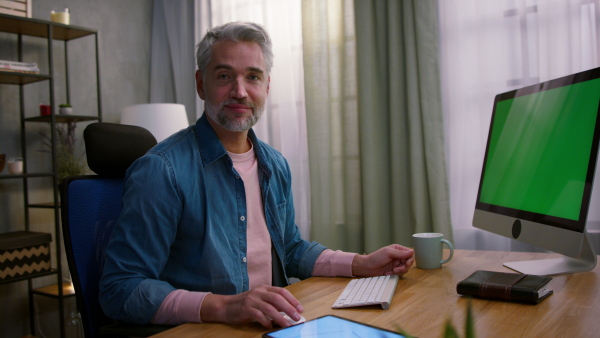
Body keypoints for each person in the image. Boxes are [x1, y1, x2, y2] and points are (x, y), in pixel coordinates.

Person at [99, 21, 414, 329]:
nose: (239, 91)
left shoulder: (274, 164)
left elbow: (289, 249)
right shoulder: (162, 170)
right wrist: (223, 306)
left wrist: (361, 264)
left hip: (271, 325)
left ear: (267, 86)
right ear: (200, 84)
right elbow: (120, 289)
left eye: (252, 77)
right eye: (224, 76)